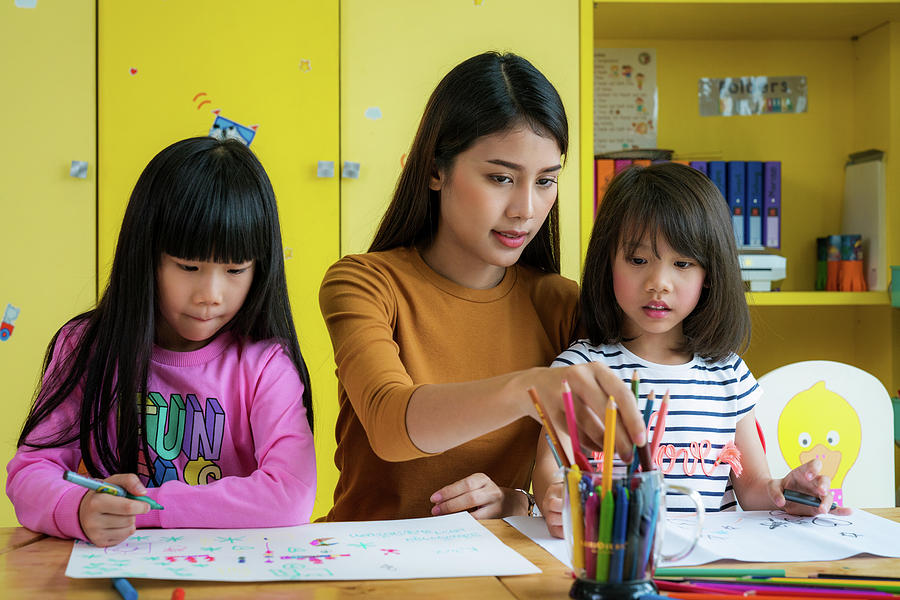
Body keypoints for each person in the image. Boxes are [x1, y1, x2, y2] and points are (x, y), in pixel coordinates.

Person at [319, 51, 646, 523]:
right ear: (435, 170)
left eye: (546, 181)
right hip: (370, 565)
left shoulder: (561, 304)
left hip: (499, 565)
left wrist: (520, 501)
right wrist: (530, 388)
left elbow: (573, 480)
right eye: (501, 177)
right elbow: (391, 426)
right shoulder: (364, 283)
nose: (526, 209)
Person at [7, 137, 316, 547]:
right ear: (146, 254)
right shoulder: (86, 347)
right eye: (188, 266)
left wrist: (146, 507)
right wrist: (78, 509)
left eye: (235, 269)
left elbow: (291, 495)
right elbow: (30, 473)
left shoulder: (264, 364)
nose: (211, 293)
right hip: (117, 570)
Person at [536, 162, 851, 537]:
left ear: (709, 274)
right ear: (608, 262)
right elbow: (549, 469)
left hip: (707, 569)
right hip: (618, 559)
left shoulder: (728, 374)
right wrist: (555, 497)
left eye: (682, 263)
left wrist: (788, 493)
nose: (658, 283)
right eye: (638, 260)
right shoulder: (579, 370)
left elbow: (753, 489)